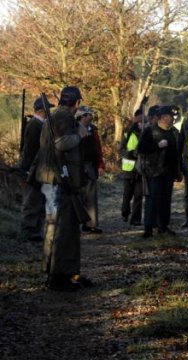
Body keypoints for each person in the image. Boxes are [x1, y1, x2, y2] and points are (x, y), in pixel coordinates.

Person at [36, 86, 94, 291]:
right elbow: (62, 144)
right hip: (60, 181)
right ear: (77, 102)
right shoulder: (63, 117)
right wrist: (80, 131)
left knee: (56, 226)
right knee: (63, 228)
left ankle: (60, 273)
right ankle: (59, 276)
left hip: (55, 179)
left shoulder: (55, 116)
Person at [137, 105, 182, 238]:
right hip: (154, 172)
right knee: (153, 200)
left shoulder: (174, 132)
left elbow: (177, 153)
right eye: (169, 116)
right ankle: (148, 228)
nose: (172, 119)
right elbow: (141, 149)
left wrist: (178, 171)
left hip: (169, 172)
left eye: (172, 117)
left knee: (166, 200)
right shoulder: (150, 131)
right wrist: (157, 146)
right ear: (162, 118)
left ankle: (163, 226)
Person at [20, 97, 54, 242]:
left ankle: (35, 231)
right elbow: (29, 151)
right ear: (41, 110)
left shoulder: (40, 125)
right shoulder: (35, 126)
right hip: (32, 170)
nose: (49, 112)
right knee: (31, 201)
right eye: (47, 109)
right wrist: (27, 170)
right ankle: (29, 232)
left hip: (38, 169)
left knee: (38, 201)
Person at [76, 106, 105, 234]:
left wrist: (100, 165)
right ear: (82, 116)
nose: (91, 117)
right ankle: (76, 224)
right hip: (77, 167)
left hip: (91, 166)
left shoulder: (93, 130)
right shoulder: (74, 129)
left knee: (91, 197)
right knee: (78, 196)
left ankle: (91, 224)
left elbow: (98, 149)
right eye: (88, 114)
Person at [120, 109, 143, 225]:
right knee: (127, 194)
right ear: (135, 119)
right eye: (139, 119)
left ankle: (136, 219)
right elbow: (121, 150)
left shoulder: (146, 134)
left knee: (139, 195)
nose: (141, 122)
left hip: (140, 170)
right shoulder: (127, 134)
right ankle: (125, 213)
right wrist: (131, 153)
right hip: (129, 170)